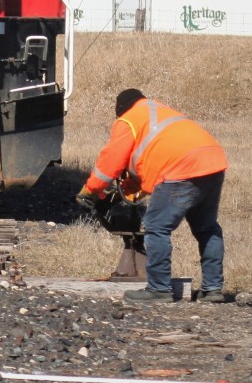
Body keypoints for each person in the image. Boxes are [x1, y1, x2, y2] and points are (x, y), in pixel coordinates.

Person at [76, 88, 228, 304]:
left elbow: (111, 161)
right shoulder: (158, 113)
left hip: (181, 168)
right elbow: (152, 163)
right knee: (207, 228)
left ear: (120, 109)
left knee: (157, 227)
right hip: (213, 162)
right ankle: (213, 289)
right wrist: (124, 191)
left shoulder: (128, 120)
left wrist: (91, 190)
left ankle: (159, 290)